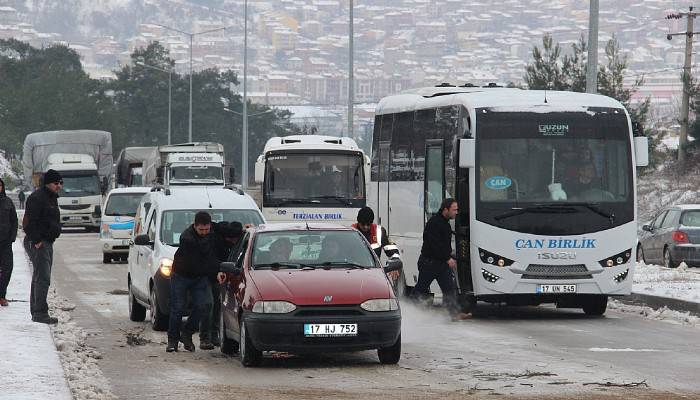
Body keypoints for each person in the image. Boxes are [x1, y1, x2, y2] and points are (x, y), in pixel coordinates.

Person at [167, 211, 219, 353]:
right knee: (178, 308)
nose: (204, 232)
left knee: (202, 306)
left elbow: (225, 229)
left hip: (199, 276)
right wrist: (216, 270)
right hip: (181, 275)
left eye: (207, 229)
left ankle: (187, 333)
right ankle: (172, 340)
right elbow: (203, 259)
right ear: (194, 226)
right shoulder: (186, 238)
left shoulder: (212, 232)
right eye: (201, 230)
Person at [412, 198, 470, 321]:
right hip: (429, 263)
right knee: (421, 288)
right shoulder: (434, 223)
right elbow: (434, 245)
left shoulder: (445, 224)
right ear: (445, 209)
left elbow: (444, 245)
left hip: (441, 263)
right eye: (454, 210)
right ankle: (411, 310)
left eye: (457, 210)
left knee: (449, 288)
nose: (456, 212)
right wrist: (447, 258)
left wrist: (450, 256)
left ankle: (453, 313)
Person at [24, 169, 63, 324]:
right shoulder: (37, 198)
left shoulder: (51, 198)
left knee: (39, 276)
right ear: (48, 183)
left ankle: (37, 311)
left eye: (61, 183)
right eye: (56, 183)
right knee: (43, 278)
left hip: (47, 242)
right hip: (39, 242)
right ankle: (40, 312)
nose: (59, 186)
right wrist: (37, 240)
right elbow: (29, 222)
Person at [199, 221, 243, 349]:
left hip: (219, 274)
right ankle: (204, 338)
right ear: (229, 238)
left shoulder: (228, 235)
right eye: (236, 241)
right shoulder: (213, 240)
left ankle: (214, 335)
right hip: (205, 274)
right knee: (208, 304)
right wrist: (218, 270)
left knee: (218, 305)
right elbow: (209, 261)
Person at [351, 207, 401, 281]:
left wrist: (395, 263)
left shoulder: (379, 231)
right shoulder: (351, 231)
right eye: (363, 224)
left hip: (375, 273)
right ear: (358, 222)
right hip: (353, 272)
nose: (365, 227)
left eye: (368, 224)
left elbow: (392, 249)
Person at [0, 178, 18, 307]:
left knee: (7, 268)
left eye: (0, 185)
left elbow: (14, 221)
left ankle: (2, 295)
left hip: (5, 242)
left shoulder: (8, 202)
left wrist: (12, 237)